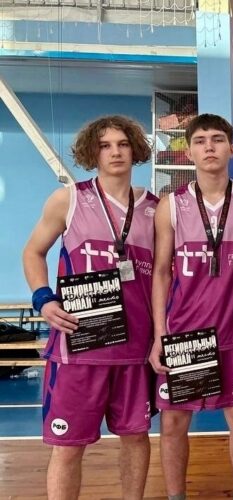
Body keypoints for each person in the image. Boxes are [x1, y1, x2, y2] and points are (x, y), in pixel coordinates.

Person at [23, 115, 156, 500]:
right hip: (79, 347)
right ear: (91, 153)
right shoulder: (68, 199)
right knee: (67, 447)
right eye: (105, 145)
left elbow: (166, 275)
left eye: (123, 144)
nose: (115, 152)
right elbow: (33, 252)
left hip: (135, 350)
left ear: (135, 149)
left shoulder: (155, 208)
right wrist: (43, 298)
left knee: (137, 438)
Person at [149, 114, 233, 500]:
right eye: (200, 141)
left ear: (232, 149)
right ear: (189, 152)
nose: (209, 147)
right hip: (185, 335)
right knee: (173, 424)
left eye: (217, 140)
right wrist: (159, 335)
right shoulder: (171, 206)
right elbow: (161, 274)